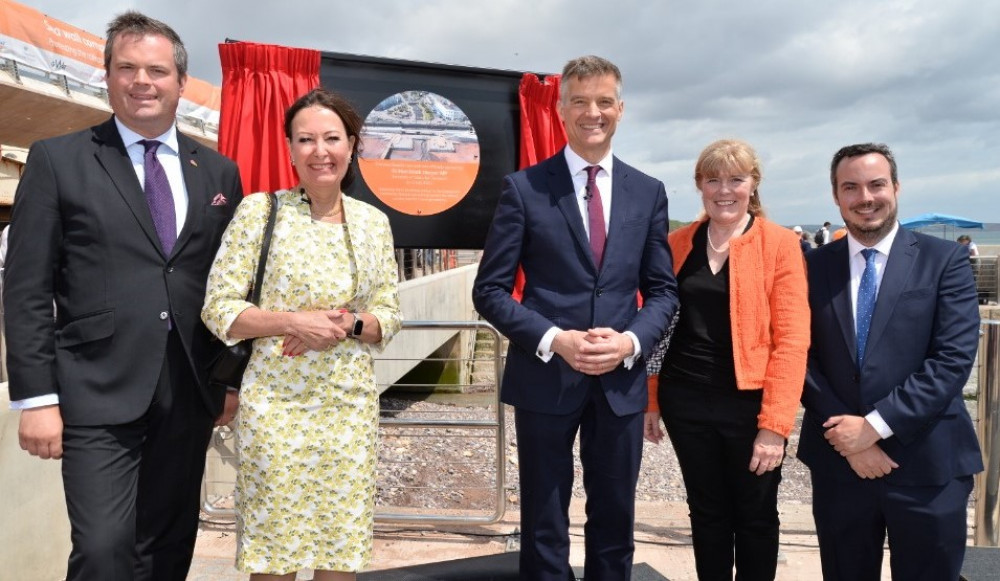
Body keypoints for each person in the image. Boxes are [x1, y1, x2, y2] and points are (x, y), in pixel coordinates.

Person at [3, 11, 243, 580]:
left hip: (188, 389)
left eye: (157, 70)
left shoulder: (218, 173)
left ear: (181, 82)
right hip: (94, 391)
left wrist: (229, 377)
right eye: (128, 68)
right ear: (107, 77)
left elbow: (231, 286)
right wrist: (36, 399)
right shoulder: (57, 160)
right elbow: (28, 286)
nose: (143, 81)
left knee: (167, 546)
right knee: (105, 549)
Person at [472, 55, 679, 580]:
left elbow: (662, 292)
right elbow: (490, 291)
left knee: (615, 516)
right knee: (543, 514)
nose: (594, 112)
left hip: (621, 383)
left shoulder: (648, 191)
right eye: (581, 101)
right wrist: (554, 338)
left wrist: (631, 343)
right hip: (545, 376)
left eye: (604, 101)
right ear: (561, 109)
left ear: (620, 109)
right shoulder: (523, 188)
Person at [201, 88, 402, 581]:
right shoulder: (259, 212)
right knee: (275, 550)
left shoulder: (373, 223)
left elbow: (389, 315)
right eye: (306, 139)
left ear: (351, 145)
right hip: (275, 407)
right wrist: (294, 322)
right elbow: (218, 308)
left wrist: (348, 324)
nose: (320, 151)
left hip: (348, 408)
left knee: (341, 548)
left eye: (331, 138)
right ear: (289, 148)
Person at [799, 143, 983, 580]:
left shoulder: (946, 260)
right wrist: (849, 438)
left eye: (876, 184)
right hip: (838, 463)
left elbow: (952, 359)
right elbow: (795, 355)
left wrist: (874, 428)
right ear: (836, 196)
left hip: (927, 463)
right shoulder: (809, 266)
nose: (866, 197)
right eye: (851, 187)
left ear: (896, 187)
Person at [644, 139, 810, 580]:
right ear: (699, 185)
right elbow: (658, 328)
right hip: (685, 400)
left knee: (755, 515)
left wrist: (776, 426)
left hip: (750, 405)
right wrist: (652, 400)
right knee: (706, 511)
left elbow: (792, 341)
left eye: (736, 179)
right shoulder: (676, 243)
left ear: (753, 184)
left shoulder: (779, 244)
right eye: (712, 179)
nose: (724, 190)